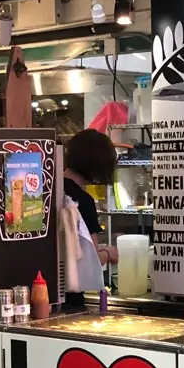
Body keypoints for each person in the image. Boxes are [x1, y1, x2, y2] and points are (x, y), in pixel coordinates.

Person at [63, 129, 119, 310]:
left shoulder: (50, 188)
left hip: (42, 291)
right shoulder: (82, 200)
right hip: (70, 298)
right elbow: (91, 261)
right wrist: (109, 254)